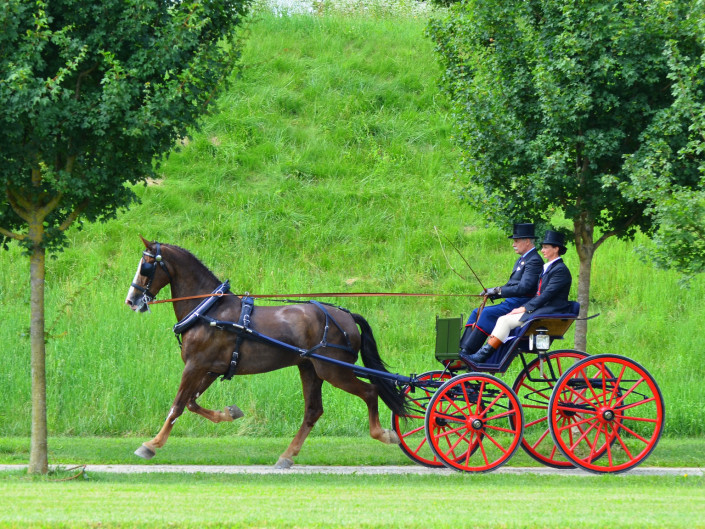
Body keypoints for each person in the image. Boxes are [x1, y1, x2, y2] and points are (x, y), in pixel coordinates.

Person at [463, 229, 573, 364]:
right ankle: (474, 353)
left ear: (556, 249)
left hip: (550, 310)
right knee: (501, 318)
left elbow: (545, 295)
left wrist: (524, 308)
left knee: (504, 320)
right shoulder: (549, 267)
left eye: (545, 247)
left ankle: (481, 356)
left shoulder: (560, 270)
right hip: (541, 308)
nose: (542, 250)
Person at [458, 223, 543, 364]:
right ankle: (463, 349)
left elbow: (525, 288)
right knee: (476, 312)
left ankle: (469, 353)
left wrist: (498, 290)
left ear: (527, 241)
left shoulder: (534, 260)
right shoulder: (522, 260)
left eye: (516, 241)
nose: (513, 245)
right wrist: (494, 293)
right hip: (512, 301)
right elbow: (513, 285)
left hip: (520, 303)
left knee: (487, 313)